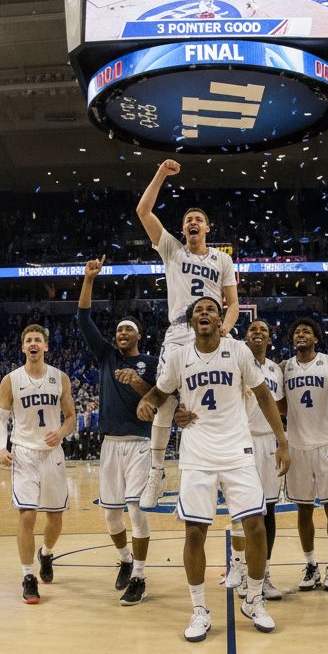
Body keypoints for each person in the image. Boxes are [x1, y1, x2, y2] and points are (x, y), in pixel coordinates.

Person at [136, 296, 289, 641]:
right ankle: (199, 610)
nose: (204, 313)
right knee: (194, 533)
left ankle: (253, 597)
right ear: (190, 322)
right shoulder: (178, 357)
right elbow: (161, 394)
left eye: (211, 310)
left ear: (221, 320)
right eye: (198, 311)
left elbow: (264, 395)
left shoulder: (238, 351)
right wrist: (148, 402)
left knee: (255, 526)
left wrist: (283, 441)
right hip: (198, 453)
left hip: (237, 450)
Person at [134, 158, 239, 510]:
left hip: (212, 331)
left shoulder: (222, 261)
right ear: (183, 230)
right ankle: (156, 472)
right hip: (180, 332)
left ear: (208, 227)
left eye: (198, 220)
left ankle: (222, 466)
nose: (193, 223)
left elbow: (234, 304)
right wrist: (161, 173)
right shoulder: (171, 251)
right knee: (164, 401)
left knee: (218, 399)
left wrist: (226, 327)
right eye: (187, 221)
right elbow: (143, 210)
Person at [76, 257, 158, 605]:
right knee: (111, 513)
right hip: (110, 444)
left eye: (128, 330)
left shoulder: (152, 362)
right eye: (119, 331)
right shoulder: (107, 356)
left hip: (141, 442)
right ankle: (125, 559)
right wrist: (88, 279)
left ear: (138, 336)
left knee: (136, 508)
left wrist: (138, 383)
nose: (121, 334)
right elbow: (83, 319)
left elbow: (159, 401)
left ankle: (139, 575)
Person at [0, 324, 77, 605]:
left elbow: (71, 417)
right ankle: (28, 575)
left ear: (45, 346)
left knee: (55, 517)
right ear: (22, 348)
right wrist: (2, 447)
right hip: (24, 453)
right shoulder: (11, 380)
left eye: (38, 340)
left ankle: (46, 553)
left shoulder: (60, 378)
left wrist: (62, 432)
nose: (33, 343)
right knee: (27, 515)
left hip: (52, 454)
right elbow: (0, 419)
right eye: (28, 340)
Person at [221, 320, 284, 600]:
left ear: (269, 339)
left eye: (264, 330)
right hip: (240, 442)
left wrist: (284, 441)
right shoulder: (235, 361)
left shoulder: (275, 370)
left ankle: (263, 573)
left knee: (268, 511)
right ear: (246, 336)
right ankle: (240, 569)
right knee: (244, 512)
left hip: (267, 441)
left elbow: (278, 408)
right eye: (253, 330)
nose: (258, 333)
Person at [281, 317, 328, 592]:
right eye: (296, 331)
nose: (301, 334)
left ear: (316, 338)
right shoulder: (285, 368)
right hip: (297, 446)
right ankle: (310, 565)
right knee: (303, 511)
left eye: (306, 331)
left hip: (327, 444)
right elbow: (281, 406)